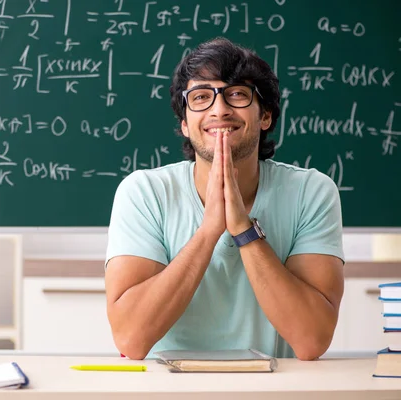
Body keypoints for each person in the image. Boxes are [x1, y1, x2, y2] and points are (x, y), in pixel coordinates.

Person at [104, 37, 345, 361]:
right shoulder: (144, 192)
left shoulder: (312, 192)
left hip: (274, 392)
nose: (219, 109)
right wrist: (209, 231)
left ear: (266, 116)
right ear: (185, 124)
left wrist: (244, 230)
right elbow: (131, 339)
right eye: (202, 97)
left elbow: (312, 340)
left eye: (237, 95)